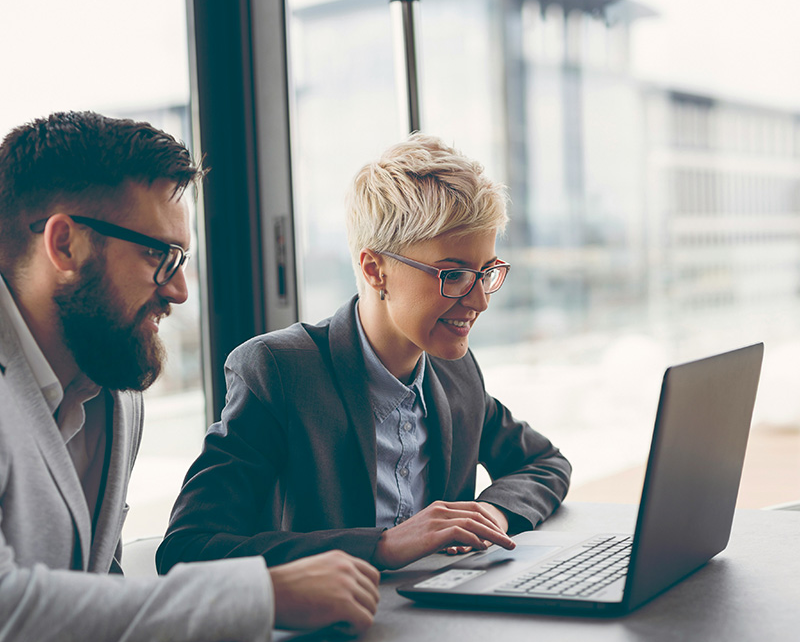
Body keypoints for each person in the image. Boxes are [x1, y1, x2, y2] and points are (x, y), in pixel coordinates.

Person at [0, 111, 379, 642]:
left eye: (183, 261)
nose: (178, 290)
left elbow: (98, 586)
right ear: (65, 244)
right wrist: (259, 596)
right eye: (160, 256)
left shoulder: (114, 393)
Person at [157, 133, 571, 575]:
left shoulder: (456, 373)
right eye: (453, 274)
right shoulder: (278, 372)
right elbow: (189, 547)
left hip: (442, 624)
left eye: (486, 273)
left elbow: (544, 462)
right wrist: (382, 546)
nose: (480, 301)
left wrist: (493, 513)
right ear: (376, 270)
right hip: (329, 633)